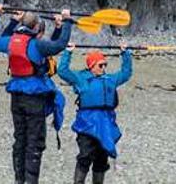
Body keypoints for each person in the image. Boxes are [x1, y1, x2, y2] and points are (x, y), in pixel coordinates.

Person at [0, 7, 73, 184]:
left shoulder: (10, 42)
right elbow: (58, 46)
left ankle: (19, 180)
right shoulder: (37, 45)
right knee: (34, 142)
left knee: (20, 140)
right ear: (36, 28)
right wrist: (67, 22)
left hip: (16, 97)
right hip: (34, 98)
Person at [56, 45, 134, 184]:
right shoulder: (81, 79)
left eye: (105, 65)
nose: (103, 68)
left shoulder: (110, 79)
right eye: (100, 65)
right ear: (91, 66)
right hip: (87, 124)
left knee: (101, 159)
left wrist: (125, 53)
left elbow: (126, 73)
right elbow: (62, 71)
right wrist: (68, 52)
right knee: (85, 156)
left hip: (105, 124)